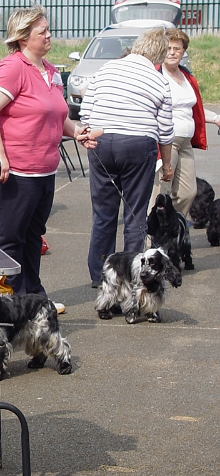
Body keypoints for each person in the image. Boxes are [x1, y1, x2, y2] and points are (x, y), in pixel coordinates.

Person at [0, 5, 95, 304]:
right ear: (22, 38)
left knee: (33, 236)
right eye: (42, 31)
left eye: (48, 30)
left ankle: (33, 297)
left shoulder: (52, 72)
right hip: (17, 171)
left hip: (44, 173)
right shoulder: (12, 68)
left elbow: (57, 115)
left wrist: (77, 132)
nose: (49, 35)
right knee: (10, 238)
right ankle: (6, 301)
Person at [79, 27, 175, 288]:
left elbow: (86, 112)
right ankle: (133, 275)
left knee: (103, 215)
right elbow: (165, 130)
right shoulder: (158, 80)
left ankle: (101, 275)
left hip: (102, 141)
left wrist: (90, 136)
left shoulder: (107, 69)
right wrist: (167, 164)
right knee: (135, 215)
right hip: (137, 143)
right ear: (159, 56)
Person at [150, 29, 220, 216]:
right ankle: (151, 239)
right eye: (169, 48)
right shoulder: (156, 75)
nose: (172, 52)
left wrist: (216, 118)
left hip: (185, 142)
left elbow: (193, 108)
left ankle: (173, 230)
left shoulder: (187, 77)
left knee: (188, 192)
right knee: (160, 192)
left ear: (183, 51)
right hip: (165, 141)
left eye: (177, 49)